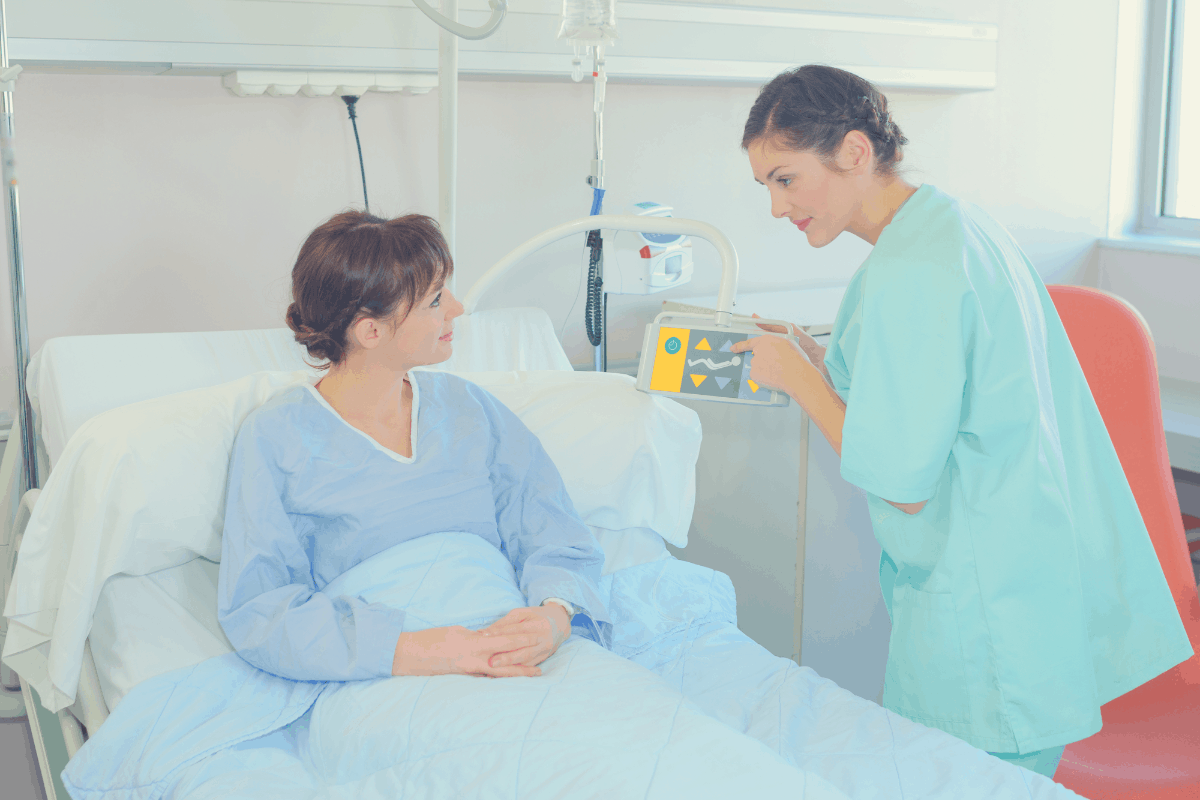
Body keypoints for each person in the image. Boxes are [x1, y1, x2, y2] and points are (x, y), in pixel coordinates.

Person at [729, 64, 1193, 778]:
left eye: (785, 178)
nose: (774, 205)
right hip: (1027, 588)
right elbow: (935, 387)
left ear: (854, 151)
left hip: (986, 627)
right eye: (765, 185)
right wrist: (816, 357)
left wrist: (798, 381)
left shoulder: (910, 272)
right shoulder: (952, 225)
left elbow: (901, 478)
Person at [217, 210, 610, 682]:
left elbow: (552, 528)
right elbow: (261, 608)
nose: (458, 309)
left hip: (516, 644)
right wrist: (425, 651)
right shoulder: (276, 437)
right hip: (388, 672)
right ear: (372, 331)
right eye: (435, 300)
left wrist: (555, 616)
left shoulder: (468, 408)